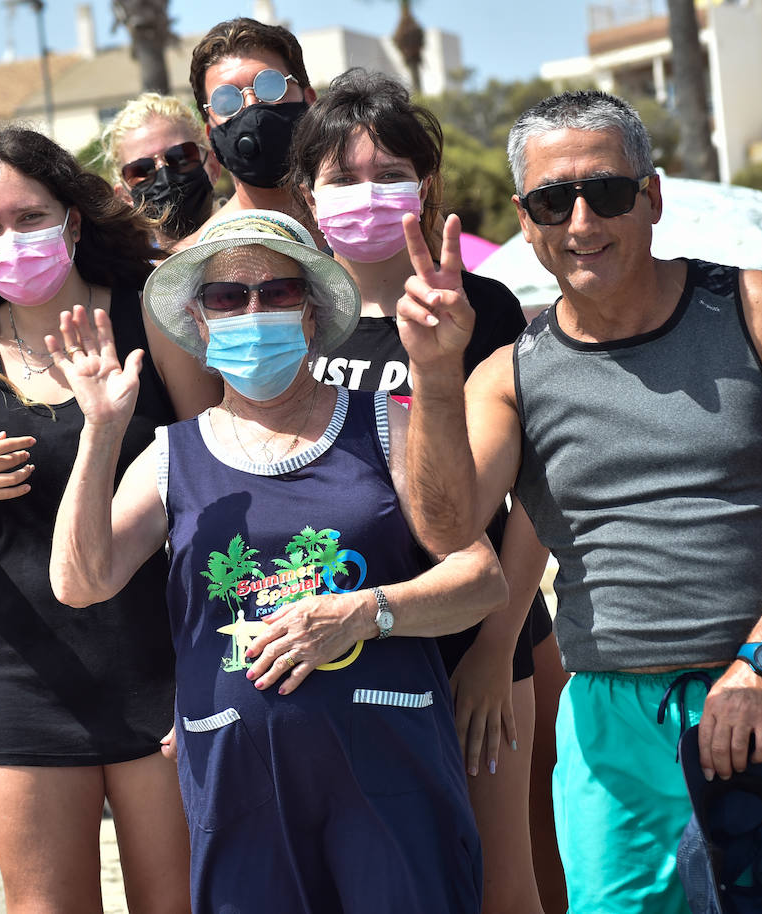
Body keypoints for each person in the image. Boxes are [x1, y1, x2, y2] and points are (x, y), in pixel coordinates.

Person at [396, 89, 762, 914]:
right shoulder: (508, 374)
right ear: (526, 218)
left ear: (652, 196)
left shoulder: (757, 310)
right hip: (616, 729)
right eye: (555, 200)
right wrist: (436, 379)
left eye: (608, 191)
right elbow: (447, 527)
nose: (582, 221)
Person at [48, 208, 507, 912]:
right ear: (199, 325)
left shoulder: (384, 422)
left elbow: (480, 579)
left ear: (314, 314)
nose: (252, 310)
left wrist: (363, 612)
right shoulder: (174, 454)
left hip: (390, 773)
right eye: (228, 297)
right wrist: (101, 433)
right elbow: (79, 582)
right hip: (240, 786)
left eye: (278, 293)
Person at [0, 126, 217, 914]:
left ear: (73, 220)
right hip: (17, 675)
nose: (13, 240)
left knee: (178, 901)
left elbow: (223, 480)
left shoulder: (154, 314)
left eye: (30, 217)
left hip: (164, 665)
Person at [290, 68, 558, 914]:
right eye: (341, 178)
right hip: (338, 637)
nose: (365, 195)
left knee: (497, 878)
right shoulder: (282, 314)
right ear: (307, 192)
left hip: (476, 635)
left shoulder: (484, 306)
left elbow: (538, 495)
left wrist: (494, 650)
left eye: (387, 175)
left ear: (425, 184)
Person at [182, 17, 317, 244]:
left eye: (271, 84)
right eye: (226, 100)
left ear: (311, 101)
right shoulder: (193, 261)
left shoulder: (370, 228)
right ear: (210, 134)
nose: (252, 106)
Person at [102, 93, 223, 249]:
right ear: (125, 196)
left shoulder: (256, 240)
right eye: (140, 170)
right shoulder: (139, 273)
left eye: (181, 156)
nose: (164, 174)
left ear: (213, 166)